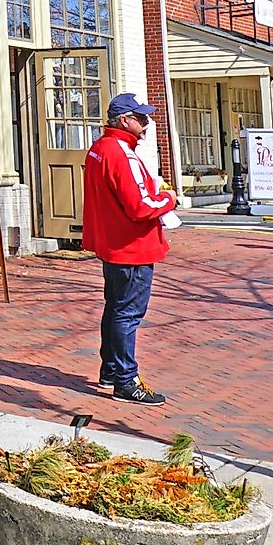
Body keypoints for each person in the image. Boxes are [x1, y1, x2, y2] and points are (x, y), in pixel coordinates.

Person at [83, 90, 181, 405]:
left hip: (113, 243)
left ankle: (111, 371)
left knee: (115, 308)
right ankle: (126, 379)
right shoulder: (120, 152)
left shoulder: (100, 148)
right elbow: (139, 205)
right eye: (140, 117)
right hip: (131, 245)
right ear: (124, 120)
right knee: (127, 313)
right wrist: (169, 198)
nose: (146, 122)